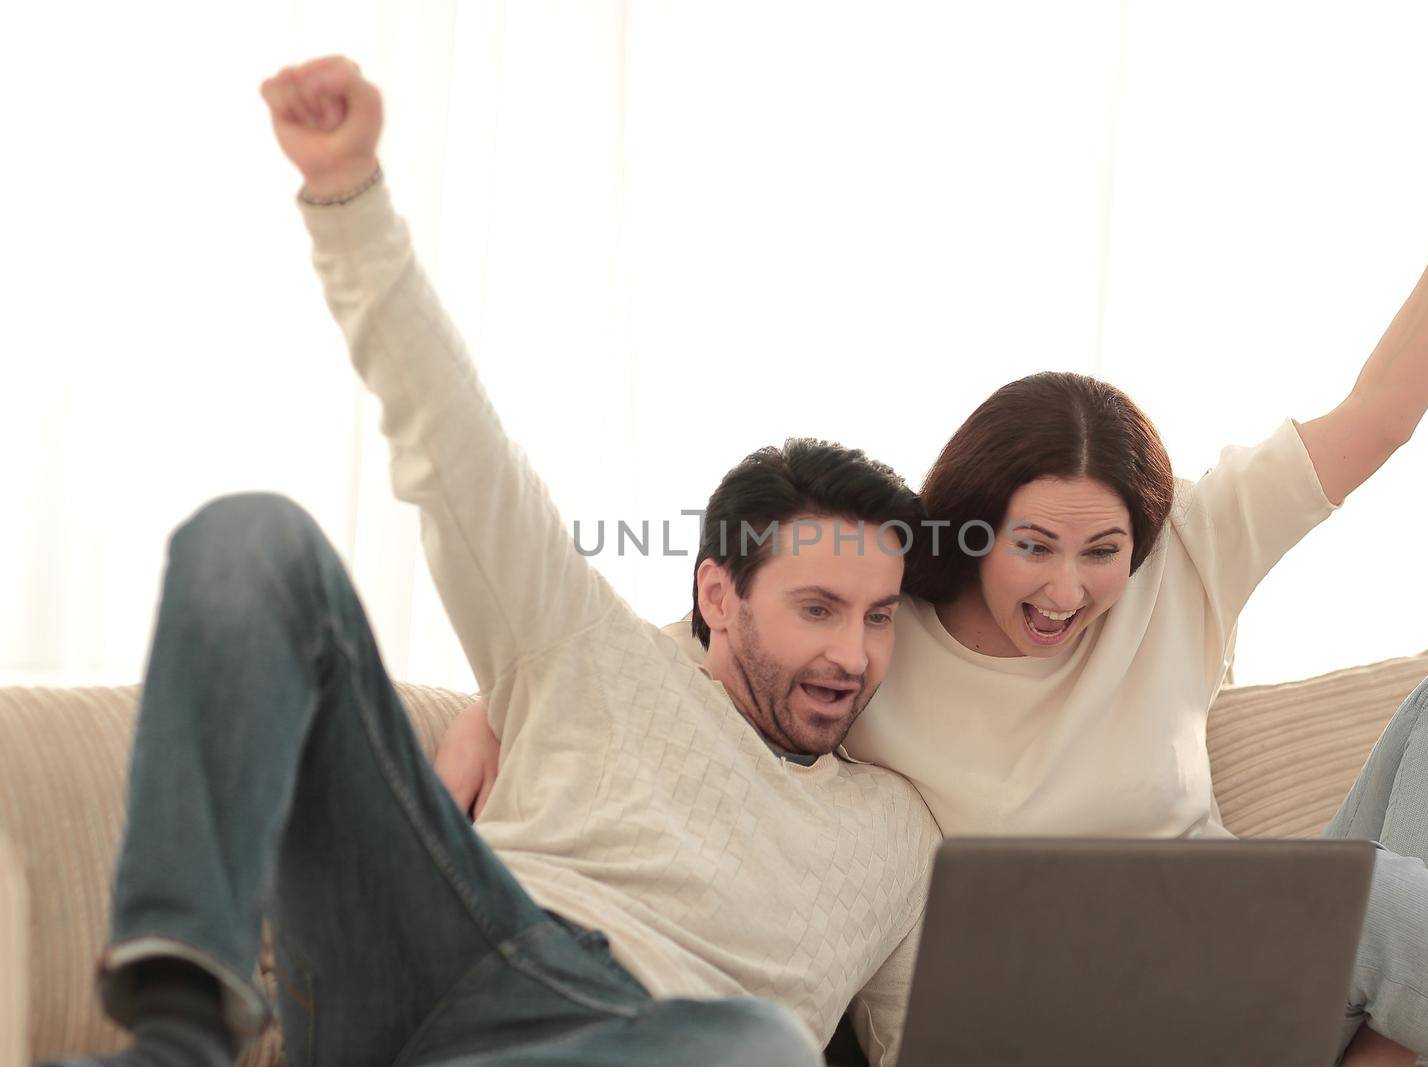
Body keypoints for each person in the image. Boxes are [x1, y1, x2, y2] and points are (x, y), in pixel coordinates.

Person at [443, 91, 1428, 1066]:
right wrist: (489, 715)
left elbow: (1380, 416)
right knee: (1385, 906)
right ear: (973, 522)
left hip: (1250, 940)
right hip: (1088, 997)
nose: (1067, 588)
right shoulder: (880, 634)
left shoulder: (1187, 551)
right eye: (1032, 546)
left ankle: (1383, 1051)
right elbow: (671, 663)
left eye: (1103, 553)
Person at [40, 55, 940, 1067]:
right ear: (718, 594)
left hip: (638, 1038)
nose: (853, 653)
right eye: (817, 606)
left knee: (760, 1042)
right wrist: (348, 199)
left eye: (876, 616)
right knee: (250, 539)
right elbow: (454, 446)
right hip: (429, 938)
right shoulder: (590, 649)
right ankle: (176, 1028)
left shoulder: (899, 834)